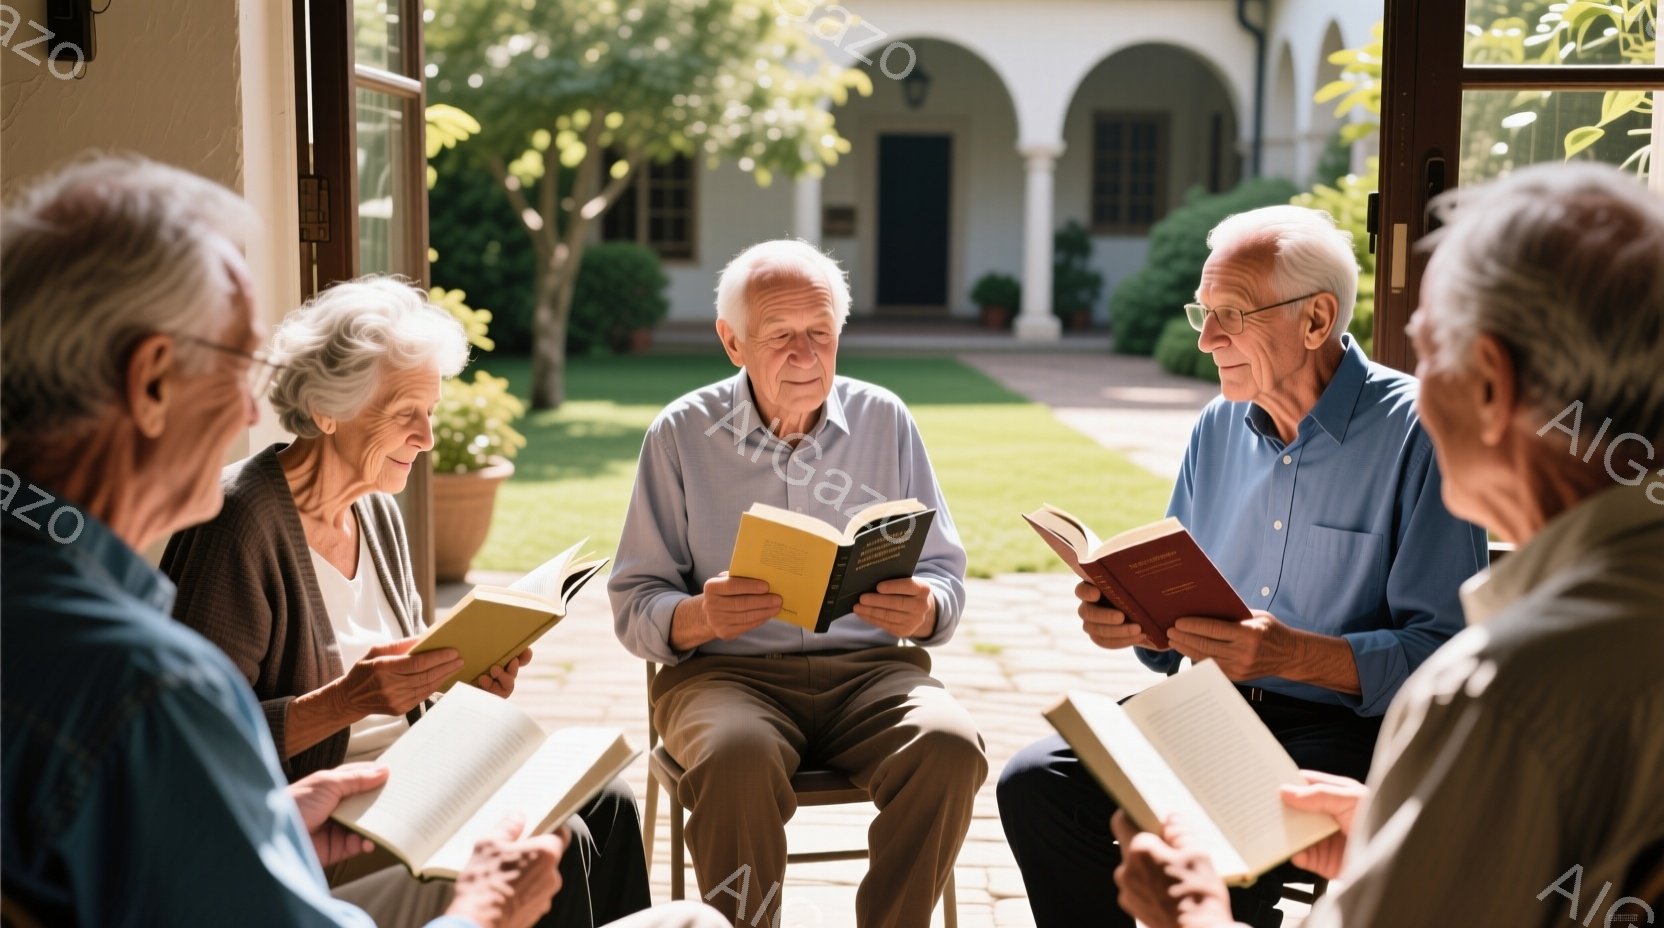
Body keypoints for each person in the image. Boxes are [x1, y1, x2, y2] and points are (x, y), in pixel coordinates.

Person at [0, 155, 563, 928]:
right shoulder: (150, 687)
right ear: (153, 381)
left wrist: (268, 816)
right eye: (240, 364)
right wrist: (484, 910)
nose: (247, 411)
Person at [1113, 162, 1664, 928]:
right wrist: (1393, 827)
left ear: (1489, 385)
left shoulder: (1496, 691)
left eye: (1427, 350)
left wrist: (1195, 916)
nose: (1410, 388)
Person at [997, 205, 1487, 927]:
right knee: (1037, 783)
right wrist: (1137, 623)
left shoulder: (1420, 431)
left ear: (1316, 320)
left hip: (1344, 735)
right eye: (1203, 311)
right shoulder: (1217, 426)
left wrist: (1292, 653)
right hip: (1207, 712)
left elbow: (1443, 655)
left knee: (1219, 839)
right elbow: (1176, 632)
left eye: (1230, 313)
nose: (1205, 337)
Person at [159, 276, 653, 927]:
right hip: (316, 828)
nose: (426, 438)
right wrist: (347, 701)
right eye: (404, 414)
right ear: (327, 408)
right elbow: (192, 741)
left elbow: (401, 684)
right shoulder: (239, 522)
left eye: (431, 411)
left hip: (411, 790)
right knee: (555, 844)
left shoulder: (377, 512)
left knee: (608, 800)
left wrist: (462, 681)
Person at [609, 239, 987, 927]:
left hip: (872, 673)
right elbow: (635, 602)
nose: (806, 357)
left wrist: (926, 607)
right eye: (781, 337)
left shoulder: (885, 419)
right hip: (722, 678)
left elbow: (944, 574)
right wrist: (699, 616)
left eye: (821, 334)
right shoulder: (681, 434)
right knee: (737, 756)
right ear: (732, 342)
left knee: (950, 745)